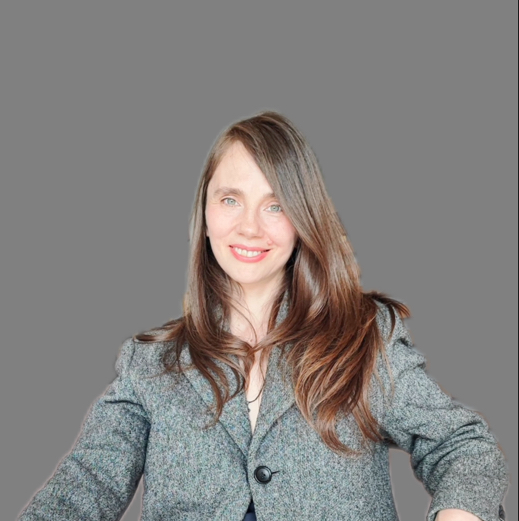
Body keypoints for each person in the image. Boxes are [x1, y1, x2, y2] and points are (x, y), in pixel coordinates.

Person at [18, 111, 508, 521]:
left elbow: (463, 447)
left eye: (275, 206)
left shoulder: (364, 337)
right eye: (230, 200)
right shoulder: (149, 364)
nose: (249, 227)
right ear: (205, 214)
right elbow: (86, 482)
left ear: (302, 220)